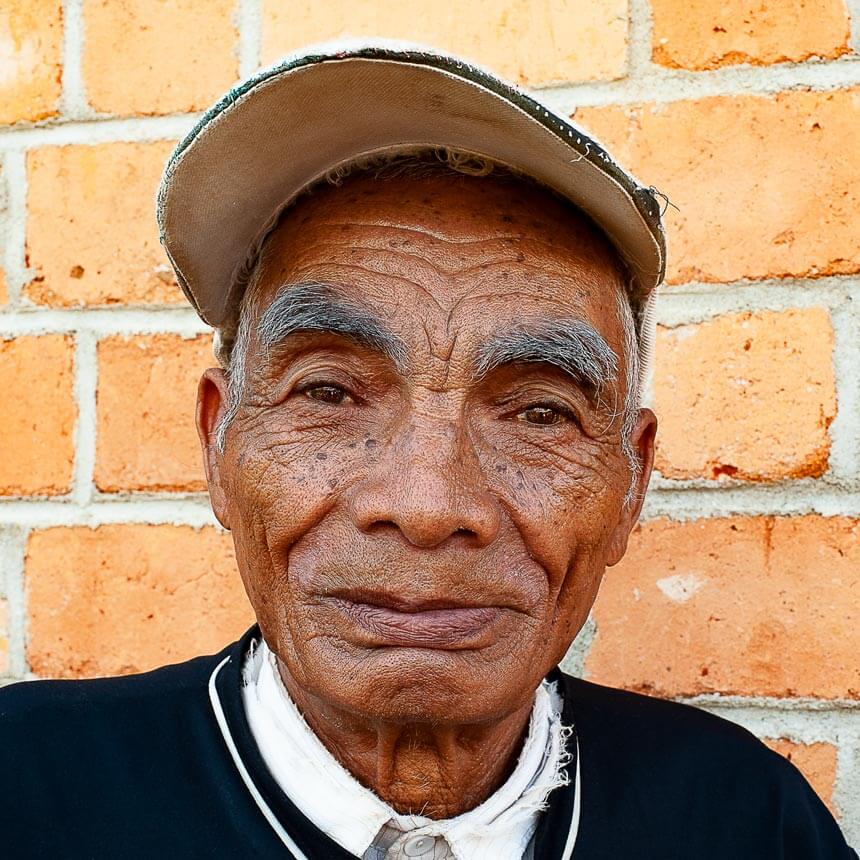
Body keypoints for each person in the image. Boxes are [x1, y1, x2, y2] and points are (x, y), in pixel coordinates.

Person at [0, 43, 855, 860]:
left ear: (631, 484)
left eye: (539, 414)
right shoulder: (27, 788)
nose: (427, 504)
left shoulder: (743, 823)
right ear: (219, 440)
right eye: (328, 392)